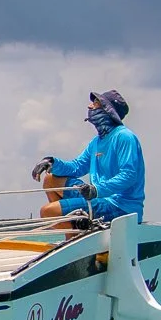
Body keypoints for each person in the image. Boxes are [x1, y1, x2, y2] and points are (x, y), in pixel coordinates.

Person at [32, 89, 145, 225]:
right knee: (50, 180)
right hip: (97, 196)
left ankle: (71, 239)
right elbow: (77, 167)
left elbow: (129, 175)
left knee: (48, 211)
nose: (89, 106)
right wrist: (51, 163)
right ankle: (76, 228)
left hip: (120, 206)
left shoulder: (124, 137)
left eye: (96, 103)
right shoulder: (96, 142)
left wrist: (96, 190)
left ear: (108, 110)